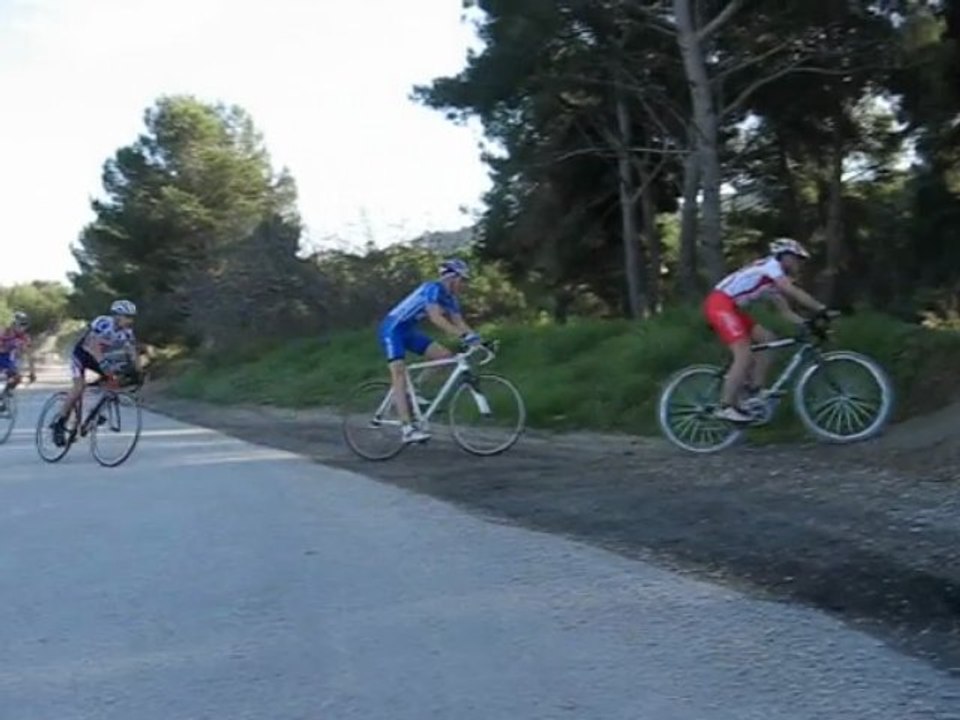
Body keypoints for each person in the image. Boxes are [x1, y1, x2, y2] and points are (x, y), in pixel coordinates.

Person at [704, 238, 829, 423]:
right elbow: (791, 290)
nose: (799, 264)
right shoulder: (771, 267)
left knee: (768, 339)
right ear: (783, 256)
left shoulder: (770, 281)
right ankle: (725, 406)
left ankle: (755, 390)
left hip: (731, 308)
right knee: (743, 353)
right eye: (797, 258)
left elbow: (785, 311)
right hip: (720, 304)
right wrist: (821, 309)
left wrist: (806, 323)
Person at [378, 258, 482, 444]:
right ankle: (407, 429)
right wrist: (463, 336)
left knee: (444, 356)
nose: (464, 285)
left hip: (408, 331)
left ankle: (414, 391)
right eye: (462, 280)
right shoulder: (432, 288)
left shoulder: (450, 299)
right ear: (451, 278)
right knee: (399, 372)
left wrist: (478, 340)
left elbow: (459, 322)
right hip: (392, 329)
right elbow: (436, 317)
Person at [51, 299, 142, 445]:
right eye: (127, 317)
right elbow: (92, 344)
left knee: (113, 380)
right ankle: (59, 423)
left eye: (132, 317)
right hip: (82, 355)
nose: (130, 321)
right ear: (117, 315)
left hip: (98, 358)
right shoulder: (103, 323)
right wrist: (104, 363)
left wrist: (138, 371)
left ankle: (94, 411)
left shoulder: (127, 332)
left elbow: (132, 352)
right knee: (79, 387)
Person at [0, 311, 36, 407]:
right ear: (14, 323)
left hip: (8, 360)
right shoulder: (4, 331)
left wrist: (32, 373)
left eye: (25, 325)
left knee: (17, 378)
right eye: (21, 324)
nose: (23, 327)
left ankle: (3, 397)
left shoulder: (25, 338)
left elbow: (30, 356)